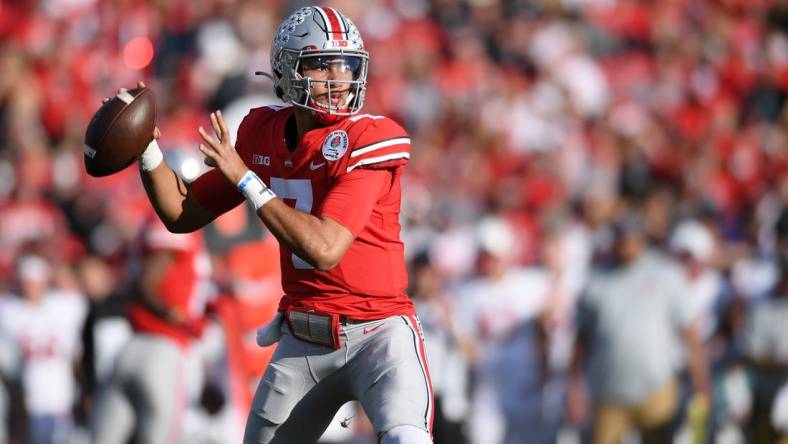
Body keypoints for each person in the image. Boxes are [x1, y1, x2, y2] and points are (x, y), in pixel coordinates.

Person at [110, 6, 433, 443]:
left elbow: (324, 248)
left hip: (379, 333)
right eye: (322, 64)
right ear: (287, 69)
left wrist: (245, 179)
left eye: (345, 64)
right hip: (305, 338)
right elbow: (181, 213)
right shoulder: (261, 132)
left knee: (406, 439)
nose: (338, 77)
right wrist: (146, 147)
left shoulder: (369, 139)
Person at [567, 212, 710, 444]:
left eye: (631, 239)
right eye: (621, 239)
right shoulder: (596, 281)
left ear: (641, 240)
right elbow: (582, 339)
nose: (626, 245)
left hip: (657, 390)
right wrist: (574, 387)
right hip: (608, 392)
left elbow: (691, 336)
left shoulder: (666, 274)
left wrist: (701, 385)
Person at [91, 216, 214, 444]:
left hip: (133, 346)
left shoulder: (153, 222)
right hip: (162, 350)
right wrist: (172, 314)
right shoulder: (174, 219)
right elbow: (149, 281)